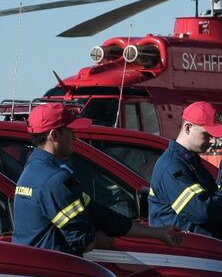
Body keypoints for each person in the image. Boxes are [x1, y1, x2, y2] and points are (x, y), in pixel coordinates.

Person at [12, 102, 181, 254]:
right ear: (54, 135)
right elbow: (82, 242)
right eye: (69, 131)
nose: (74, 137)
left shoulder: (31, 171)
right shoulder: (54, 180)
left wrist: (159, 233)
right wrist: (98, 240)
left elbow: (98, 213)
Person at [148, 101, 222, 239]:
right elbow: (201, 212)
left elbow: (209, 214)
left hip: (199, 250)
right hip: (182, 254)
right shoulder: (171, 167)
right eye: (207, 135)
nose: (213, 142)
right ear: (187, 128)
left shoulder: (192, 162)